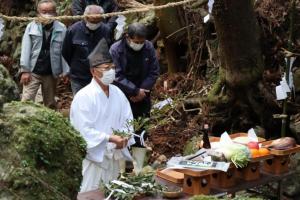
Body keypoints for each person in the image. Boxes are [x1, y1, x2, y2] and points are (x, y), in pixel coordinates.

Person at [70, 38, 135, 193]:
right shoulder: (84, 96)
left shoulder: (118, 92)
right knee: (90, 193)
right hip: (95, 157)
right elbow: (82, 130)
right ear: (93, 71)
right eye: (106, 68)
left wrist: (125, 136)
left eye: (112, 67)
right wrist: (110, 138)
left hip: (115, 155)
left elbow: (128, 118)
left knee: (113, 192)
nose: (110, 71)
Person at [110, 22, 160, 147]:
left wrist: (142, 90)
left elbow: (154, 71)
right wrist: (134, 90)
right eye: (136, 42)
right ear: (128, 37)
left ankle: (140, 152)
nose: (139, 45)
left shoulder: (148, 47)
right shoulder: (116, 49)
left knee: (142, 125)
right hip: (123, 93)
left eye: (141, 42)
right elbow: (116, 75)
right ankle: (124, 154)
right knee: (122, 125)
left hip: (143, 94)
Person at [20, 0, 69, 109]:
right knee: (26, 100)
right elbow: (25, 49)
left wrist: (65, 72)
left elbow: (64, 52)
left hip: (51, 73)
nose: (47, 14)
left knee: (50, 103)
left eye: (51, 11)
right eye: (44, 11)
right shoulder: (31, 27)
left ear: (56, 13)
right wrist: (25, 70)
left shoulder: (61, 28)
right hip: (33, 71)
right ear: (38, 13)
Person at [62, 5, 112, 95]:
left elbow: (108, 52)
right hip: (79, 77)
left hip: (99, 76)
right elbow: (66, 52)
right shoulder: (73, 30)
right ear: (85, 17)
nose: (94, 24)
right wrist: (75, 66)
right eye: (92, 21)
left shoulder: (106, 30)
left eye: (97, 22)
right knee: (80, 102)